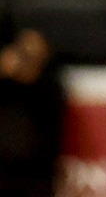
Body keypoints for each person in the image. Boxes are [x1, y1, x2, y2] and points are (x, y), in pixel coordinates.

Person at [0, 28, 67, 197]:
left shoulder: (49, 87)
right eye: (24, 53)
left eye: (34, 56)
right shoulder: (6, 84)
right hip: (5, 170)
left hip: (37, 173)